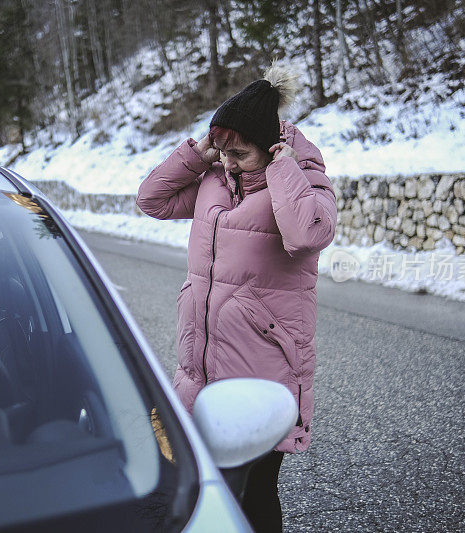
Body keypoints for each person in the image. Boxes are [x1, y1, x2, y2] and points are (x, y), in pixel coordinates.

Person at [136, 64, 337, 532]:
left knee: (255, 491)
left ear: (271, 147)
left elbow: (307, 234)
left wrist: (283, 166)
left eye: (240, 153)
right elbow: (151, 199)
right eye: (222, 151)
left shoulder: (302, 177)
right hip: (202, 366)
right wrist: (200, 150)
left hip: (263, 368)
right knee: (206, 487)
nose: (228, 162)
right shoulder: (214, 179)